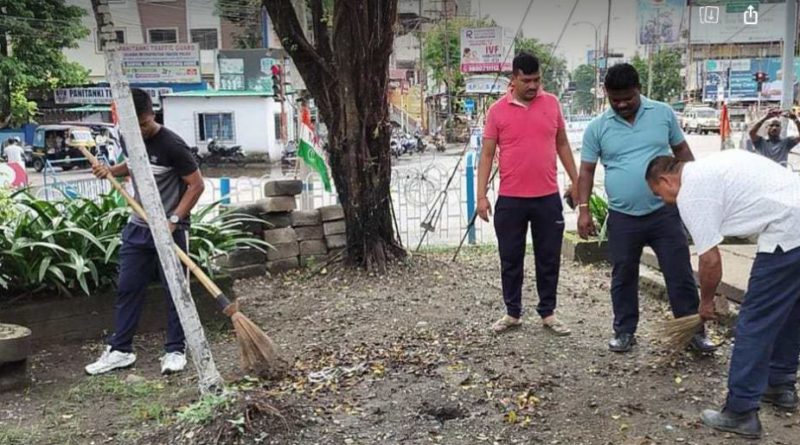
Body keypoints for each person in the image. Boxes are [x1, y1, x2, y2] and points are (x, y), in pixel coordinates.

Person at [646, 150, 800, 439]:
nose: (665, 202)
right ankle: (780, 385)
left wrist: (705, 302)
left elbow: (710, 260)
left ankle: (741, 410)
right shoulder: (713, 167)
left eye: (659, 194)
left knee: (754, 322)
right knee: (791, 312)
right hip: (795, 222)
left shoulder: (691, 192)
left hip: (788, 232)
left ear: (666, 179)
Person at [578, 63, 715, 353]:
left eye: (628, 97)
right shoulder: (597, 128)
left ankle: (693, 332)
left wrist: (696, 191)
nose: (622, 104)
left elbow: (683, 154)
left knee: (679, 273)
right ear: (607, 95)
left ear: (639, 89)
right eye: (615, 99)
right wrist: (584, 210)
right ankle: (624, 331)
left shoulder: (663, 113)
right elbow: (587, 171)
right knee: (623, 275)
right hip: (623, 217)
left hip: (664, 213)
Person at [85, 88, 205, 376]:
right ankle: (121, 350)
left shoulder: (173, 145)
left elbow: (197, 185)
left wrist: (174, 219)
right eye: (133, 126)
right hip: (138, 228)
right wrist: (112, 170)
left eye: (143, 124)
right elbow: (137, 163)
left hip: (170, 230)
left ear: (152, 115)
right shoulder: (129, 135)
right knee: (128, 287)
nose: (139, 131)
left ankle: (175, 350)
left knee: (176, 290)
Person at [477, 52, 579, 336]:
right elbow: (486, 154)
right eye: (527, 80)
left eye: (537, 80)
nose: (533, 86)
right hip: (510, 199)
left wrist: (576, 180)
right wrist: (481, 195)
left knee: (548, 258)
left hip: (547, 197)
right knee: (510, 258)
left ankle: (548, 313)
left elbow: (563, 145)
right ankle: (512, 313)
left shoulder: (552, 104)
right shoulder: (497, 111)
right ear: (514, 79)